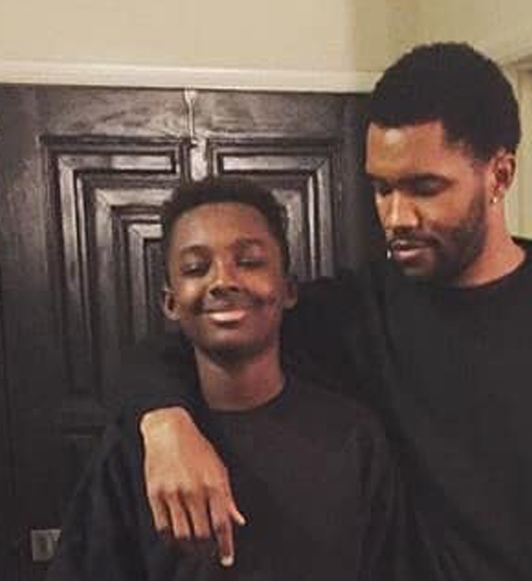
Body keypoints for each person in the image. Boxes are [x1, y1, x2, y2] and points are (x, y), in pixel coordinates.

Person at [128, 42, 532, 581]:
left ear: (499, 175)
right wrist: (165, 424)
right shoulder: (354, 315)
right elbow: (180, 344)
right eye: (382, 189)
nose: (396, 217)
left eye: (425, 188)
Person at [49, 178, 403, 580]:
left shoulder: (354, 437)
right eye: (196, 268)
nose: (222, 281)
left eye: (249, 262)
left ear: (289, 289)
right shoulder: (136, 448)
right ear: (170, 302)